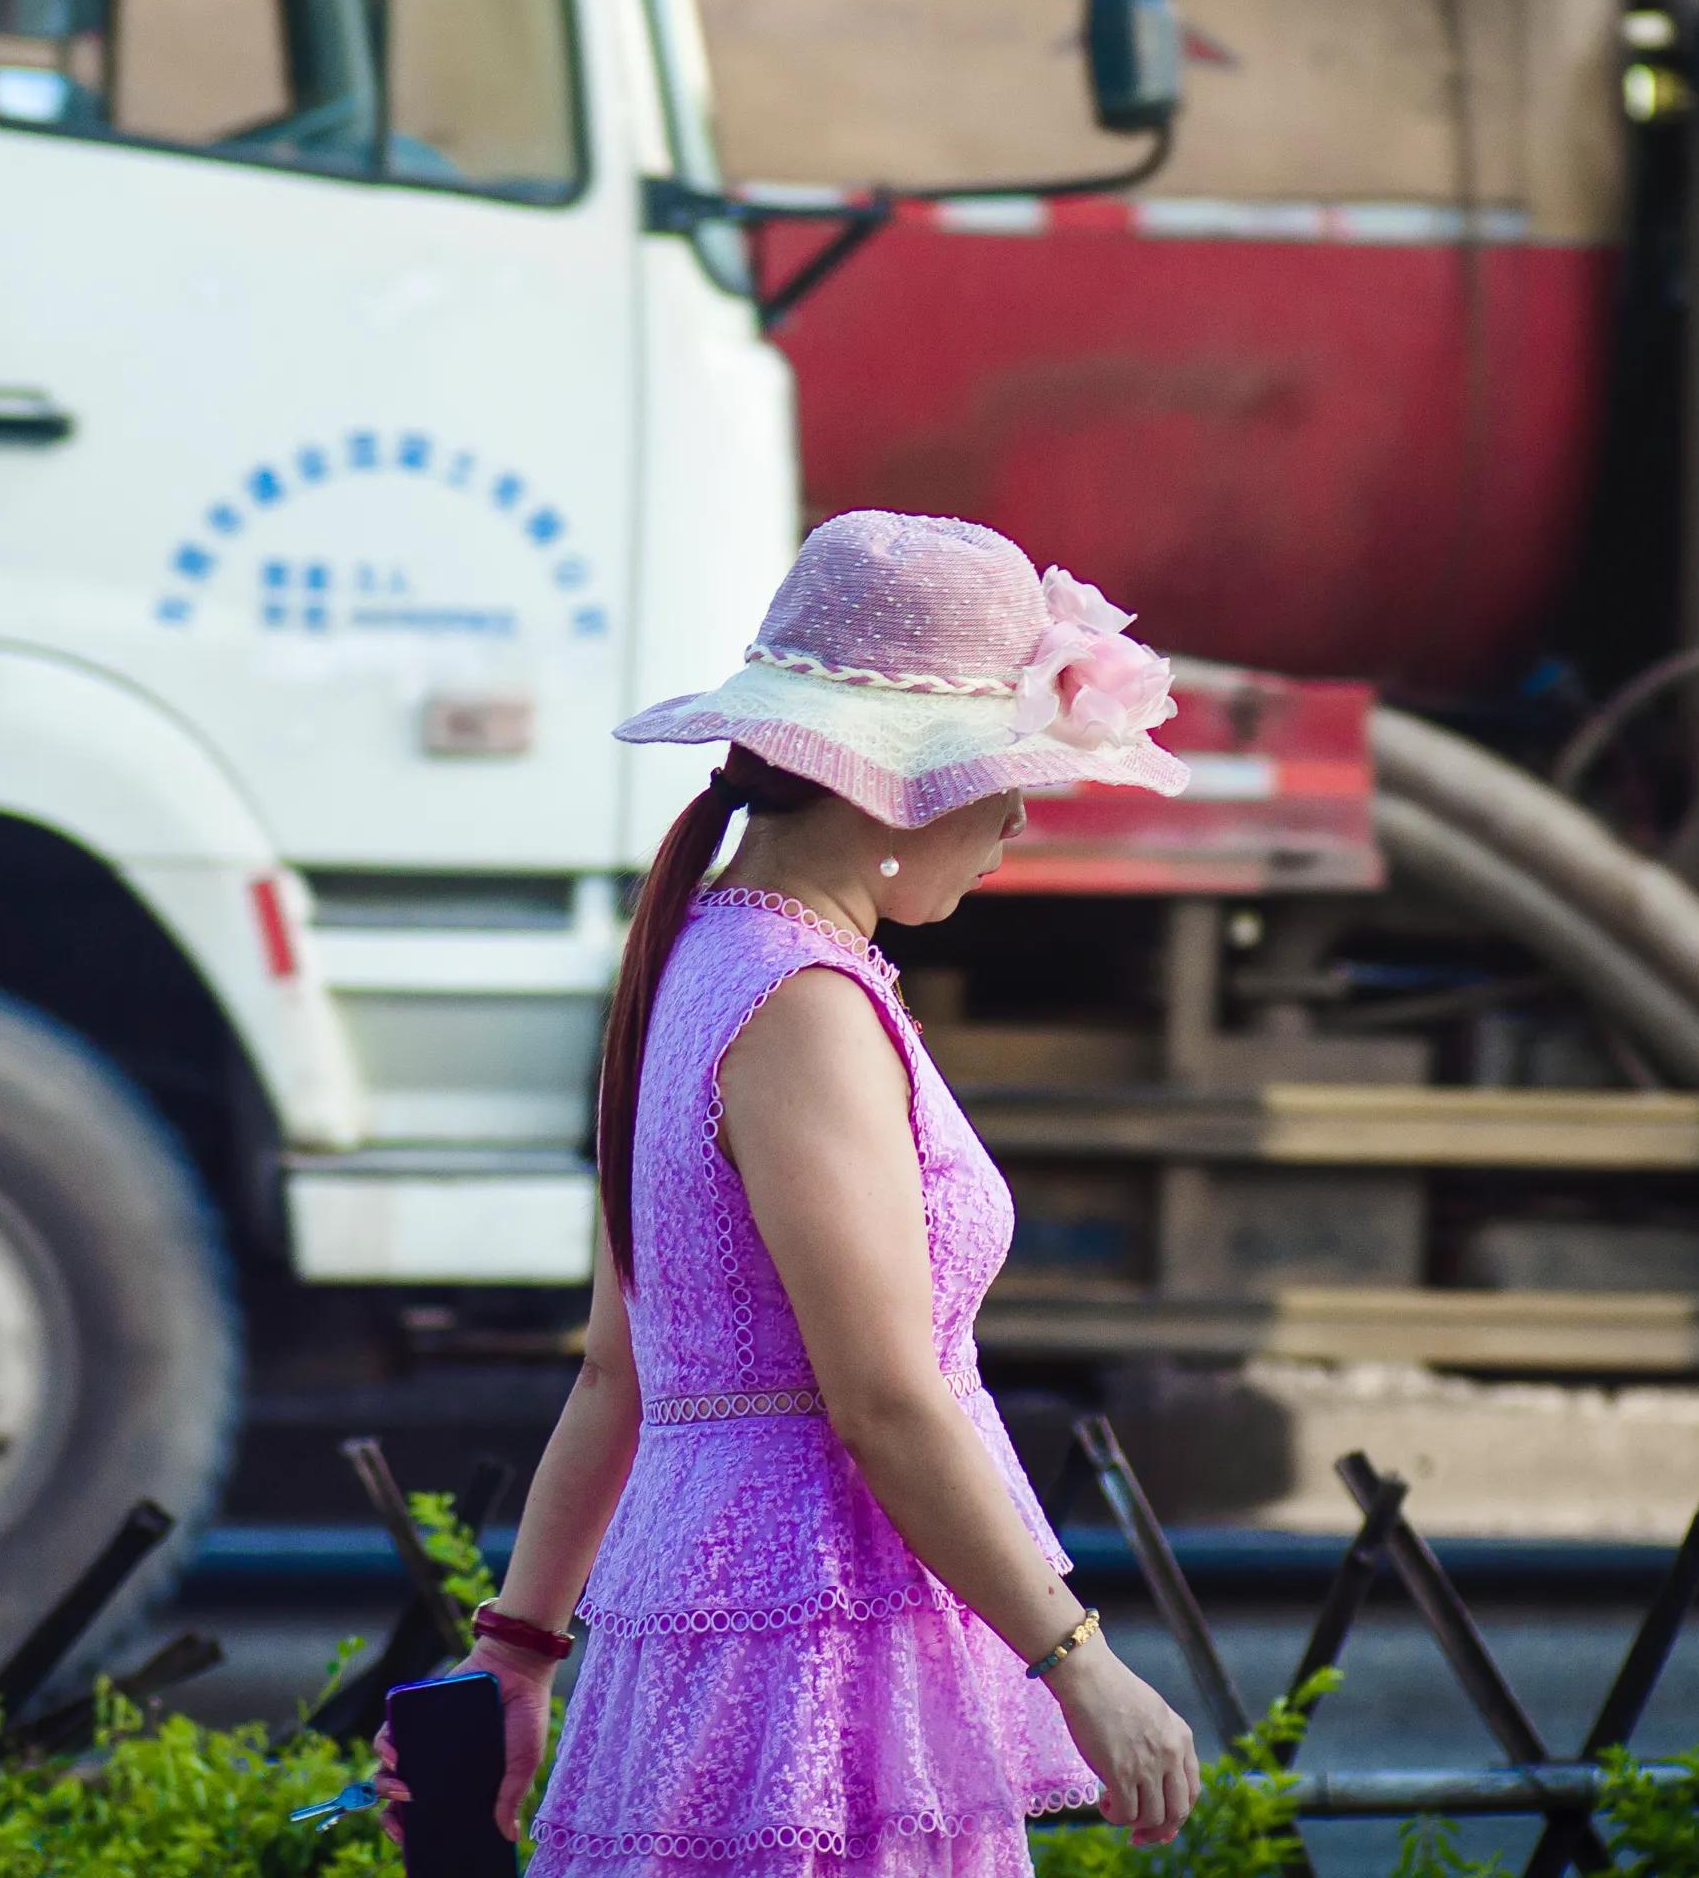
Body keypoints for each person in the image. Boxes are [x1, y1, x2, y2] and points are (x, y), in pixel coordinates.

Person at [379, 509, 1208, 1875]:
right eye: (1005, 778)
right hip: (817, 1633)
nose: (1018, 815)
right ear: (901, 788)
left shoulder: (688, 968)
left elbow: (613, 1374)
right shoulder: (805, 1005)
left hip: (719, 1623)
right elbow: (884, 1401)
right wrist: (1082, 1662)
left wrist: (518, 1654)